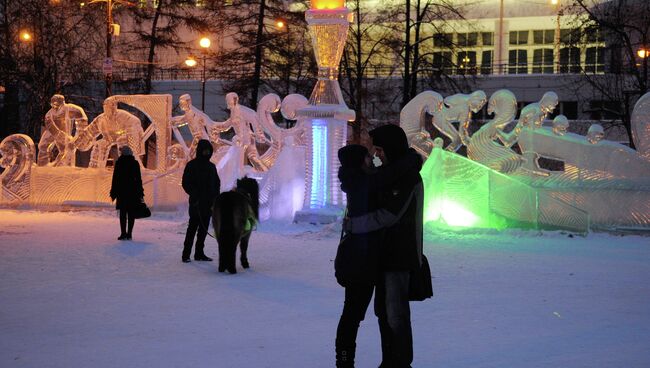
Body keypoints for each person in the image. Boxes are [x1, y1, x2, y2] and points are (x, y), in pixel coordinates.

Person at [336, 139, 422, 368]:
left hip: (367, 258)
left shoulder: (358, 179)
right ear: (358, 162)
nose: (372, 158)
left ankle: (349, 362)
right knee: (353, 315)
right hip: (360, 261)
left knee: (360, 314)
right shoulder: (361, 182)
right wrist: (411, 159)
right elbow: (388, 176)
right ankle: (344, 362)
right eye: (367, 156)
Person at [181, 139, 220, 263]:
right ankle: (186, 254)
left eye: (208, 150)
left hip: (208, 204)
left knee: (203, 230)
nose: (206, 152)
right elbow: (186, 183)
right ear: (200, 150)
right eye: (204, 150)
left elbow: (217, 184)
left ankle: (199, 253)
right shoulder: (191, 165)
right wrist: (194, 194)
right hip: (196, 203)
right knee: (192, 228)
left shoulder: (212, 167)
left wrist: (215, 199)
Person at [38, 94, 88, 167]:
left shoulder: (70, 109)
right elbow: (49, 125)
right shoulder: (49, 114)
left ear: (62, 102)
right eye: (53, 105)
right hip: (53, 132)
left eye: (57, 104)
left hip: (64, 134)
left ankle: (64, 166)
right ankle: (42, 165)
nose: (54, 107)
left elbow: (82, 117)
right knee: (42, 146)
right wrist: (59, 136)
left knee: (67, 149)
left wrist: (79, 134)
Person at [110, 145, 144, 241]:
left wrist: (113, 192)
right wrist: (140, 192)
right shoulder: (135, 163)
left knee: (123, 214)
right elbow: (138, 179)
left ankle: (123, 233)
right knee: (131, 214)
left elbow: (115, 179)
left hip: (122, 192)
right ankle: (129, 234)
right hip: (133, 192)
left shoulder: (119, 163)